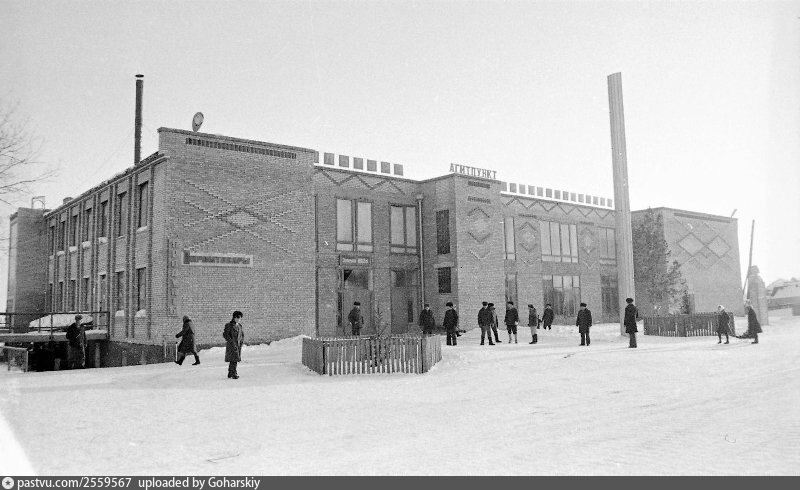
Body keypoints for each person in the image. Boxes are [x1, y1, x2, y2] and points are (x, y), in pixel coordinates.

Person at [223, 311, 244, 379]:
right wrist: (231, 342)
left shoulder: (240, 326)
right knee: (234, 359)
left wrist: (241, 342)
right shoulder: (229, 325)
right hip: (231, 345)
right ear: (233, 318)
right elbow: (225, 335)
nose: (238, 319)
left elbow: (242, 335)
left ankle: (230, 372)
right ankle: (233, 373)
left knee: (234, 359)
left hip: (238, 345)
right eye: (237, 318)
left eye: (239, 318)